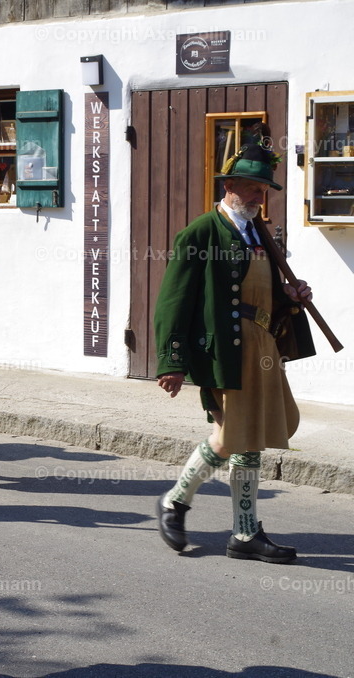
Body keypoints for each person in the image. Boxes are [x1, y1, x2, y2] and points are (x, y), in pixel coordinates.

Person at [154, 142, 314, 564]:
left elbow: (259, 295)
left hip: (262, 345)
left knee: (252, 437)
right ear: (229, 186)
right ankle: (176, 502)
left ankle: (244, 533)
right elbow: (174, 301)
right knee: (230, 436)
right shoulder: (202, 232)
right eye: (255, 189)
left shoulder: (258, 232)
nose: (263, 197)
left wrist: (291, 296)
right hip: (226, 348)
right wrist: (172, 361)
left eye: (265, 190)